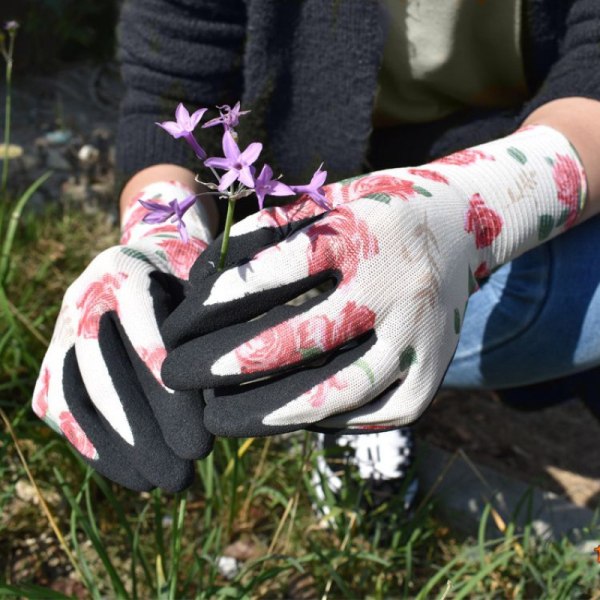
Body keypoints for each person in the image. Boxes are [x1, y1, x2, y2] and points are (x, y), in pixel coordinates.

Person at [32, 0, 600, 499]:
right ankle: (334, 378)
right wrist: (156, 236)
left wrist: (474, 205)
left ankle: (354, 378)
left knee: (577, 292)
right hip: (293, 223)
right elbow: (169, 92)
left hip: (494, 176)